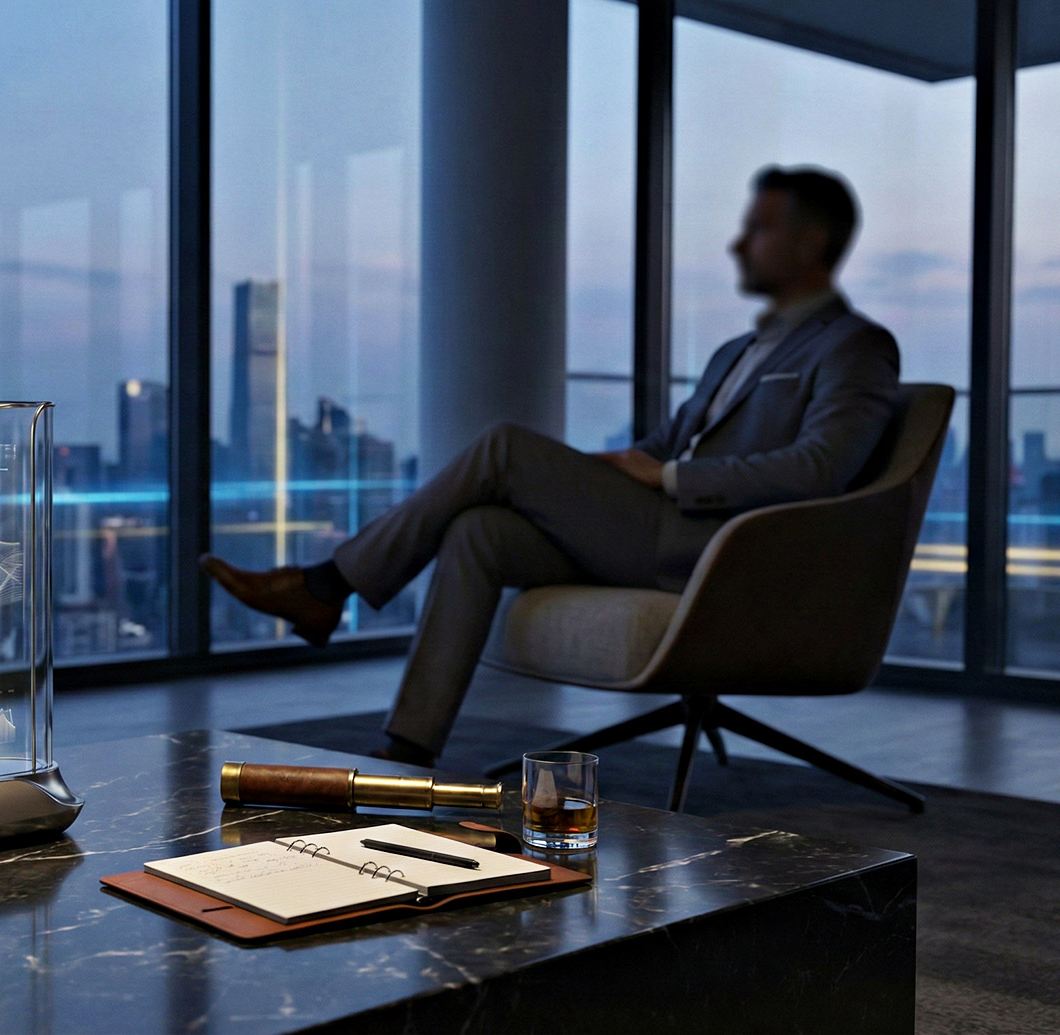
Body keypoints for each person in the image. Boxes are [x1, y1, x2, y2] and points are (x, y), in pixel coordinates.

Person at [203, 165, 900, 766]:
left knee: (504, 444)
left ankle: (326, 585)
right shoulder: (734, 352)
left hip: (721, 550)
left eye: (760, 228)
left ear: (811, 242)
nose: (738, 242)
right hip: (656, 529)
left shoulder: (856, 347)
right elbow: (657, 448)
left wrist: (671, 480)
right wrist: (580, 476)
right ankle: (410, 750)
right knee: (478, 528)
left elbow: (820, 470)